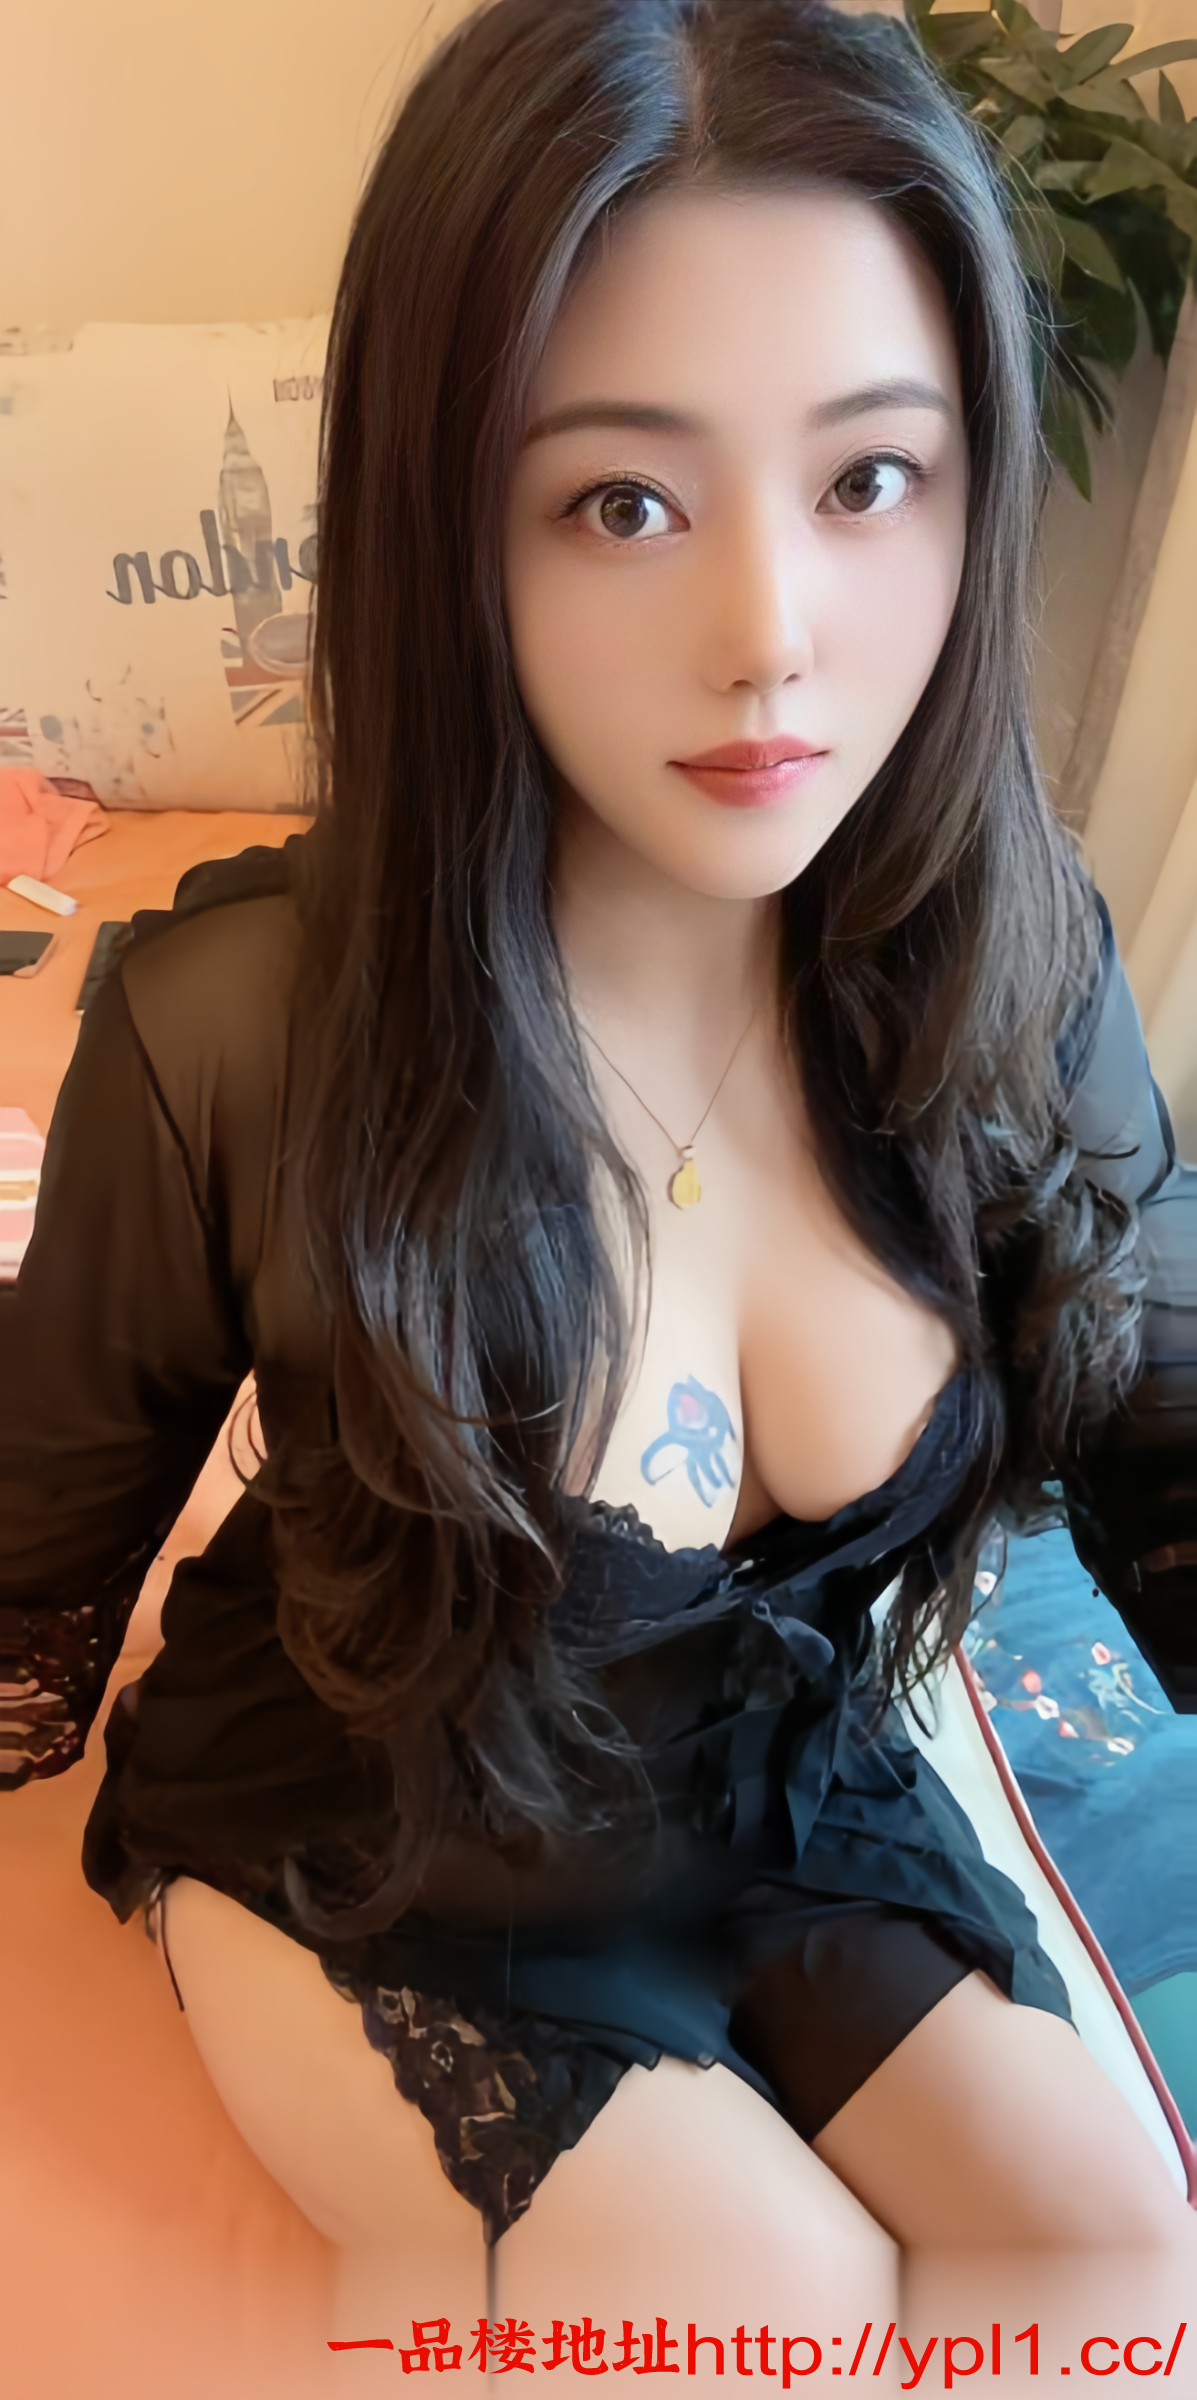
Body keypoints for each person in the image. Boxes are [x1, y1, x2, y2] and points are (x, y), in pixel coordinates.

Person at [3, 0, 1195, 2377]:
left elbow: (1158, 1418)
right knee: (764, 2312)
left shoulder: (1009, 960)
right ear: (448, 521)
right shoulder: (233, 1030)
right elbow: (31, 1557)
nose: (773, 638)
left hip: (775, 1778)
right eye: (622, 502)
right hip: (373, 1822)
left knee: (1107, 2254)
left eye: (870, 478)